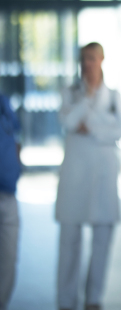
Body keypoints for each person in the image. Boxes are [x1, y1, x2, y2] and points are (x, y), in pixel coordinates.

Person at [56, 42, 121, 310]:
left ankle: (93, 299)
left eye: (91, 58)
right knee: (69, 243)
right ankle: (65, 301)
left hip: (103, 176)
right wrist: (88, 97)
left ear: (101, 60)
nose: (87, 63)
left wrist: (93, 127)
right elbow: (68, 123)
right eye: (83, 59)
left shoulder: (113, 95)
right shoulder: (70, 92)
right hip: (74, 176)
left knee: (102, 241)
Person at [0, 94, 21, 310]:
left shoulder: (3, 102)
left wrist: (16, 168)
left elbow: (16, 135)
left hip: (8, 191)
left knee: (8, 257)